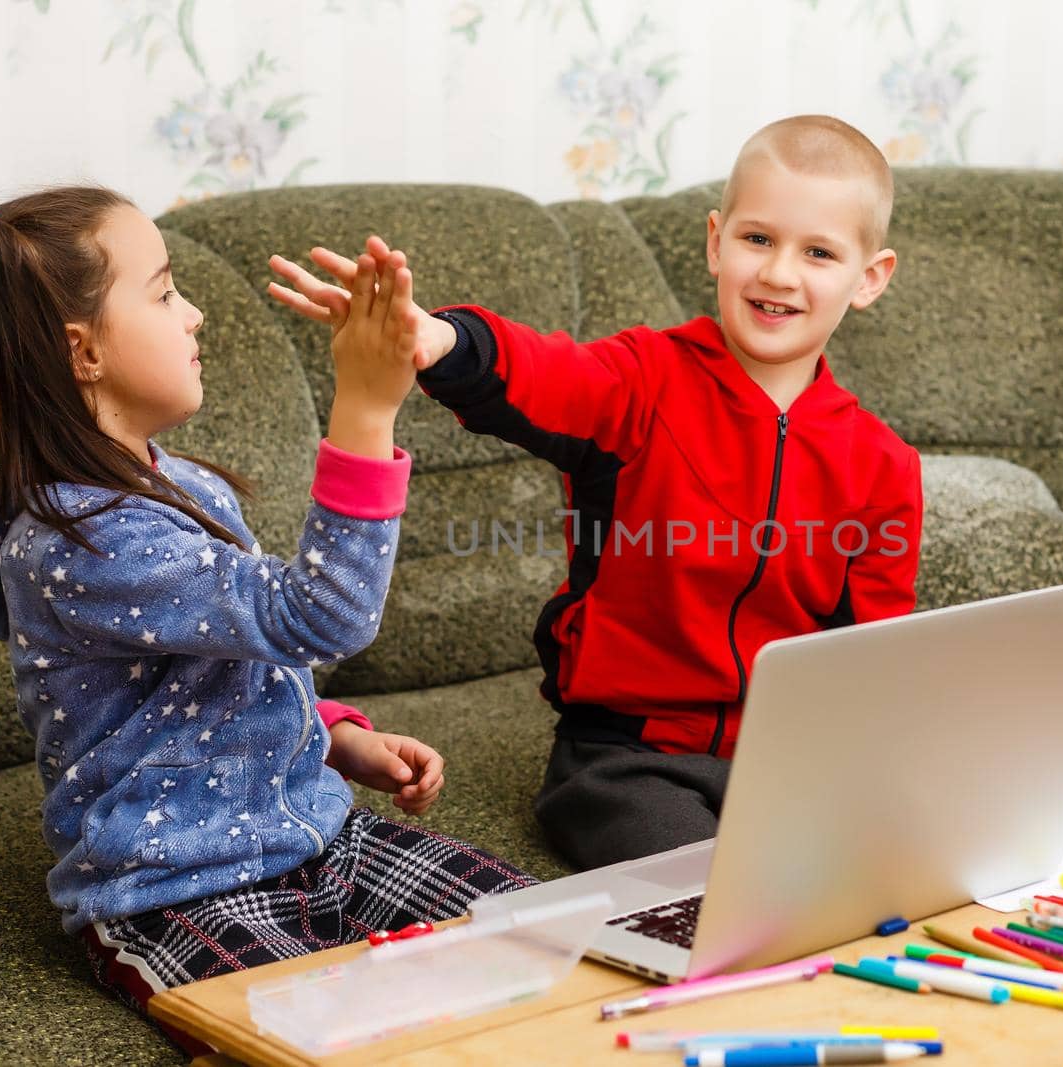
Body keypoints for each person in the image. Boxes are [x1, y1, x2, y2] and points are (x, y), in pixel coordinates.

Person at [0, 186, 532, 1052]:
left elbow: (214, 667)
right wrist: (365, 408)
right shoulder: (74, 545)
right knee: (323, 1037)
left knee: (545, 935)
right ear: (83, 350)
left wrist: (330, 732)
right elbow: (321, 614)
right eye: (167, 291)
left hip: (324, 839)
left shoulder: (182, 484)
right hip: (180, 889)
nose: (197, 314)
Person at [268, 114, 922, 872]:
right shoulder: (642, 381)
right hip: (626, 762)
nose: (780, 272)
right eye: (758, 239)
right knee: (720, 891)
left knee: (891, 866)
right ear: (716, 241)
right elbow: (541, 370)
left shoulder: (884, 466)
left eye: (818, 252)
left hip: (783, 766)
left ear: (868, 276)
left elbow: (872, 661)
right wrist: (441, 342)